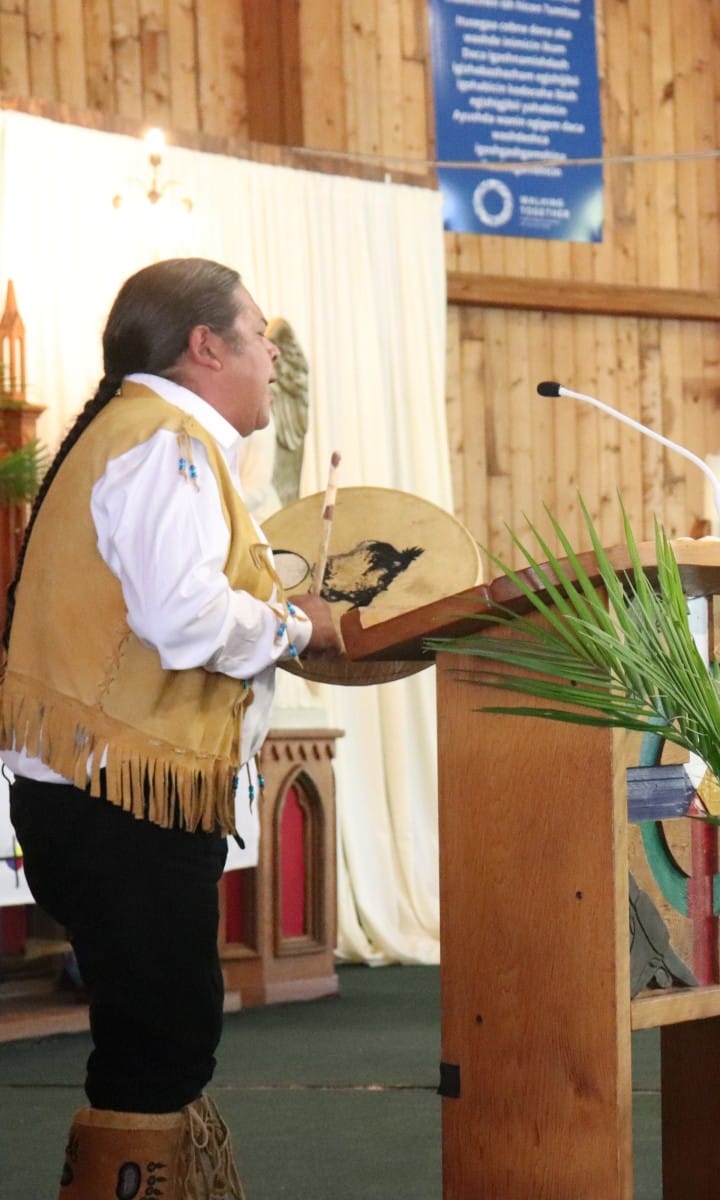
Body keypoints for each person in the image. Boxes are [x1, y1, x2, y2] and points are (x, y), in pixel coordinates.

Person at [0, 259, 341, 1196]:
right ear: (205, 345)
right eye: (258, 333)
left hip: (104, 792)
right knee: (159, 1041)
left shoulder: (141, 435)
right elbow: (184, 617)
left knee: (159, 1033)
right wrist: (297, 624)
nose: (274, 354)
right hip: (118, 800)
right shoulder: (166, 444)